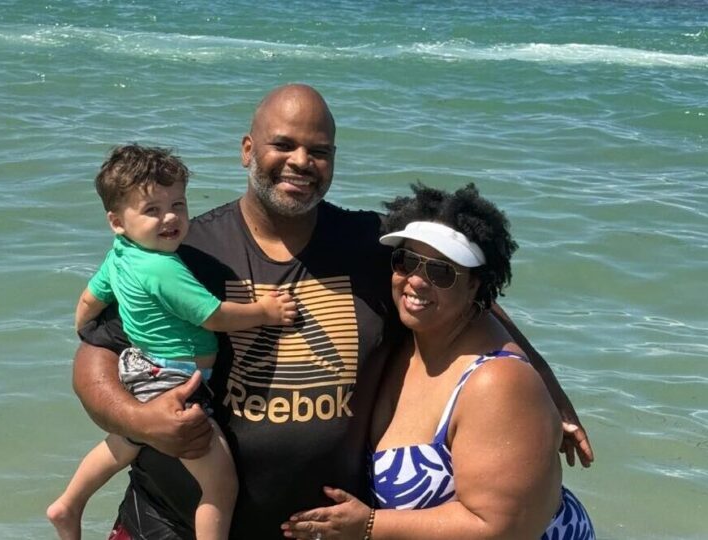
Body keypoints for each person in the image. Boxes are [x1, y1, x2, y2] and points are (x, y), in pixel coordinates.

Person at [72, 84, 593, 540]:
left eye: (318, 150)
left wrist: (551, 391)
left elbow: (471, 300)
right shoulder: (184, 251)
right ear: (248, 150)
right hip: (171, 524)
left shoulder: (371, 245)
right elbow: (96, 354)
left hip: (327, 532)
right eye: (283, 144)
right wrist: (140, 419)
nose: (301, 160)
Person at [282, 183, 594, 539]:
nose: (416, 280)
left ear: (475, 285)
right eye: (406, 261)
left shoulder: (498, 383)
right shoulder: (408, 339)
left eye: (441, 272)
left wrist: (369, 525)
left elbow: (503, 528)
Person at [47, 144, 297, 540]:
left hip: (141, 370)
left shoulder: (121, 255)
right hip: (175, 379)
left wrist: (83, 328)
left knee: (126, 443)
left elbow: (89, 300)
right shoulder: (163, 267)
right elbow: (214, 315)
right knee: (220, 484)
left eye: (178, 205)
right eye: (152, 210)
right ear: (116, 220)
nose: (170, 218)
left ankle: (69, 503)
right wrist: (265, 312)